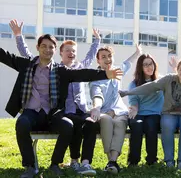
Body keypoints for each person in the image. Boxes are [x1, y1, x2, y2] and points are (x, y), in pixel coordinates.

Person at [0, 32, 122, 178]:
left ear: (54, 50)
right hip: (31, 112)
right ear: (38, 47)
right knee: (22, 124)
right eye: (44, 46)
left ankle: (55, 164)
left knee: (67, 125)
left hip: (51, 114)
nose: (47, 49)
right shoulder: (27, 65)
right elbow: (6, 56)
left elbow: (81, 74)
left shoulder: (60, 70)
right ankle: (30, 166)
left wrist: (105, 74)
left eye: (51, 47)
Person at [10, 19, 101, 176]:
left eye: (73, 51)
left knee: (77, 125)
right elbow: (26, 53)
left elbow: (89, 62)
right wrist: (19, 35)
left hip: (66, 111)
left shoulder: (70, 68)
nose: (71, 53)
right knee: (24, 123)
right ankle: (33, 166)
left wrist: (97, 44)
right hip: (45, 111)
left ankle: (67, 163)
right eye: (67, 50)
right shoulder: (45, 66)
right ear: (60, 53)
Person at [89, 44, 141, 174]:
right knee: (106, 120)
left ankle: (112, 161)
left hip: (120, 111)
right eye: (103, 57)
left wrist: (137, 52)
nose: (107, 59)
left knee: (120, 123)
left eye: (109, 56)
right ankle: (111, 161)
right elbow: (97, 95)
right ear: (98, 60)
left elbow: (127, 63)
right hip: (103, 111)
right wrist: (96, 108)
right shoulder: (95, 78)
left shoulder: (117, 71)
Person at [127, 54, 164, 166]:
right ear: (140, 67)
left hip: (155, 114)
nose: (149, 67)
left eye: (151, 64)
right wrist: (134, 109)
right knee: (137, 125)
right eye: (145, 65)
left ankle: (151, 160)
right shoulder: (134, 83)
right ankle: (133, 161)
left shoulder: (160, 81)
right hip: (138, 113)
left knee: (151, 125)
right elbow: (133, 99)